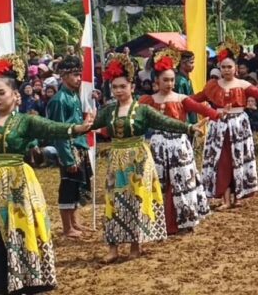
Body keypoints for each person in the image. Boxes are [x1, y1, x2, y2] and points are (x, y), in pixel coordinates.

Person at [0, 54, 93, 294]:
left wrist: (78, 128)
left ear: (15, 95)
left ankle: (25, 281)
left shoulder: (24, 122)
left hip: (17, 185)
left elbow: (53, 128)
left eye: (1, 93)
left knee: (19, 229)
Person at [92, 53, 200, 263]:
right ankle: (113, 248)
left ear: (132, 87)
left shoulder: (142, 110)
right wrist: (78, 128)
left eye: (122, 86)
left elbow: (165, 122)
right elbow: (93, 125)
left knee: (136, 201)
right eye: (114, 87)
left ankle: (136, 244)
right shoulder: (107, 111)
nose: (118, 91)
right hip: (116, 161)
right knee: (114, 201)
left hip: (139, 160)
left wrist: (188, 127)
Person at [191, 47, 258, 209]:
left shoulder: (243, 85)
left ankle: (238, 196)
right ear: (219, 68)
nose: (226, 70)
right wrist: (176, 101)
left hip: (239, 126)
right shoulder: (212, 86)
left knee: (238, 160)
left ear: (235, 69)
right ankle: (225, 199)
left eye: (229, 67)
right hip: (219, 126)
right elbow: (195, 99)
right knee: (222, 161)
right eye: (223, 67)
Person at [138, 47, 219, 235]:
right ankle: (161, 222)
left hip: (179, 146)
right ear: (156, 81)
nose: (169, 83)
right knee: (161, 183)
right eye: (165, 80)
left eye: (172, 80)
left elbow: (203, 109)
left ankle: (185, 220)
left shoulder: (181, 99)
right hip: (158, 146)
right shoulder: (148, 100)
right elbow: (132, 114)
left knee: (183, 181)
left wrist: (218, 113)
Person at [45, 56, 94, 239]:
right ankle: (67, 227)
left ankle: (74, 221)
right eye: (75, 75)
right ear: (64, 76)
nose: (79, 78)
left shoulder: (73, 96)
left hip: (78, 145)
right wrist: (67, 157)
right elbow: (59, 131)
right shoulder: (59, 100)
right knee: (68, 185)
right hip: (69, 148)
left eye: (79, 74)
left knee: (76, 186)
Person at [174, 50, 197, 124]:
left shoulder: (186, 79)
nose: (193, 65)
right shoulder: (180, 81)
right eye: (191, 63)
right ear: (183, 63)